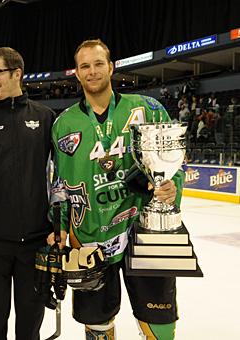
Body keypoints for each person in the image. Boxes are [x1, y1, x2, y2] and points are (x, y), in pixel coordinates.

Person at [48, 39, 185, 339]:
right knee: (97, 324)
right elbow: (58, 186)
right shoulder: (63, 124)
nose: (93, 71)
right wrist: (59, 230)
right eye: (85, 66)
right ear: (77, 73)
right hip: (90, 239)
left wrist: (171, 188)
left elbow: (175, 162)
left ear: (111, 67)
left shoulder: (147, 108)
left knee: (160, 320)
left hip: (146, 230)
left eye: (99, 64)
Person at [0, 47, 55, 340]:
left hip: (36, 241)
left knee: (30, 322)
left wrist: (60, 226)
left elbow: (61, 177)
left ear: (17, 73)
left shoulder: (46, 119)